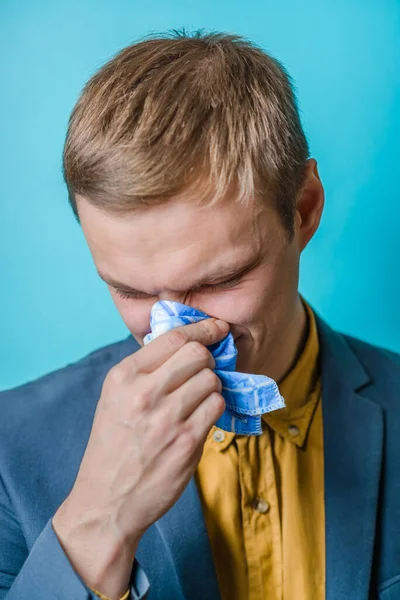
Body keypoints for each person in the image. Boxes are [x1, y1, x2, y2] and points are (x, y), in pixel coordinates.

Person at [0, 30, 399, 600]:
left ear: (304, 209)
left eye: (219, 280)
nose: (177, 329)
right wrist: (97, 524)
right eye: (131, 291)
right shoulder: (8, 450)